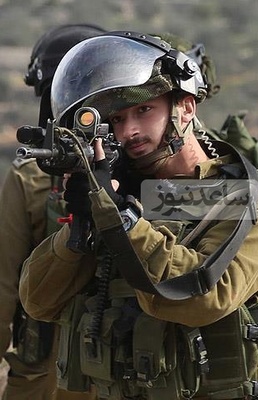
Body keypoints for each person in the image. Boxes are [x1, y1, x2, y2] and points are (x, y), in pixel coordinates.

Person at [18, 31, 258, 400]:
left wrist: (122, 219)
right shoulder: (127, 194)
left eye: (144, 110)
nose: (129, 131)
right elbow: (38, 301)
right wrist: (82, 224)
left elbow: (205, 298)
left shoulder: (248, 201)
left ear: (186, 107)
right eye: (117, 119)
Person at [0, 24, 106, 400]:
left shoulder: (29, 177)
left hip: (43, 377)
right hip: (116, 374)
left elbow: (3, 285)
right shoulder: (144, 168)